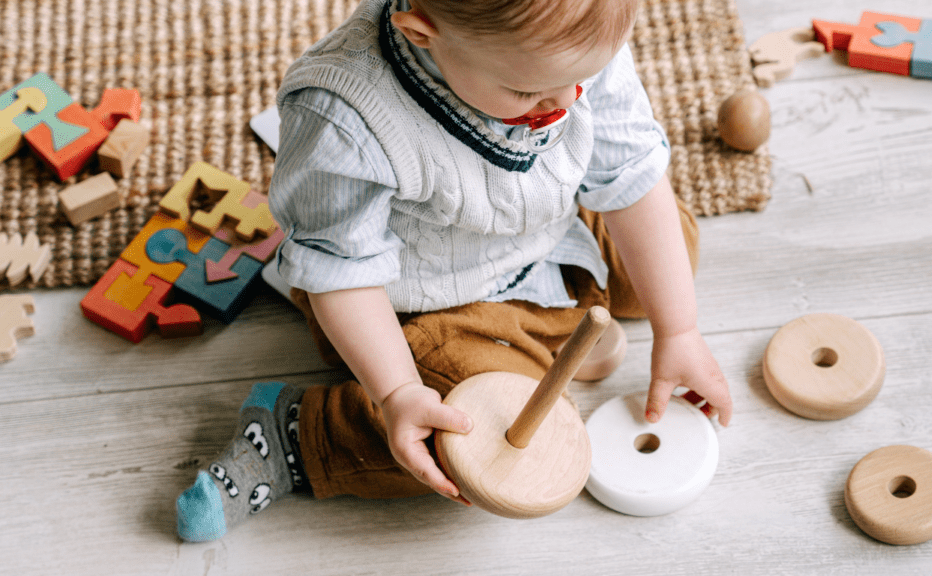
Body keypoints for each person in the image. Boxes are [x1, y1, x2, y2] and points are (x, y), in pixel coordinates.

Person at [176, 0, 732, 542]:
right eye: (527, 92)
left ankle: (557, 320)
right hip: (423, 302)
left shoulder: (572, 39)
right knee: (473, 438)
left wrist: (678, 329)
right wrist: (396, 394)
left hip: (545, 230)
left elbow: (629, 169)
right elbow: (343, 275)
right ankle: (298, 435)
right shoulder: (343, 115)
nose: (565, 103)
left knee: (671, 245)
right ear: (422, 32)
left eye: (583, 79)